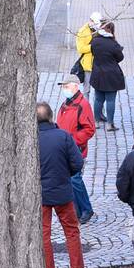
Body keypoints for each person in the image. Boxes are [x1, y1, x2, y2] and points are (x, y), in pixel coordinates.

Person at [36, 102, 89, 268]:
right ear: (51, 117)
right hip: (62, 191)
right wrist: (64, 173)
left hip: (40, 194)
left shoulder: (31, 139)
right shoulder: (63, 136)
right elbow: (77, 163)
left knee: (44, 235)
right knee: (72, 232)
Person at [56, 74, 96, 226]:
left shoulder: (82, 105)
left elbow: (89, 129)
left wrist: (71, 140)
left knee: (75, 179)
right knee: (71, 179)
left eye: (66, 86)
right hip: (64, 147)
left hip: (75, 149)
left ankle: (86, 209)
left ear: (75, 86)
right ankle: (79, 211)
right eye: (63, 87)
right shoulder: (67, 103)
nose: (64, 89)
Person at [89, 20, 125, 130]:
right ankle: (109, 124)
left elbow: (93, 52)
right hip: (111, 75)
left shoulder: (94, 41)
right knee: (110, 100)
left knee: (98, 99)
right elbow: (120, 58)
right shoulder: (113, 44)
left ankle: (96, 122)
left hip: (98, 74)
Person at [73, 10, 101, 87]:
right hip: (87, 64)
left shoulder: (100, 29)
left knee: (98, 88)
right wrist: (93, 47)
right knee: (87, 89)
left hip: (99, 63)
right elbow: (80, 49)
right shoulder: (82, 32)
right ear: (91, 21)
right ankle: (86, 100)